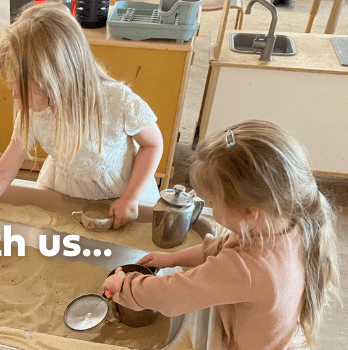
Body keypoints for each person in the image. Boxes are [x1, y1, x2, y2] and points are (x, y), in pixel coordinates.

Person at [103, 120, 341, 349]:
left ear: (250, 212)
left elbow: (173, 296)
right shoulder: (287, 223)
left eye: (213, 202)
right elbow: (223, 247)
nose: (210, 207)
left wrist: (124, 286)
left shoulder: (247, 270)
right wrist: (172, 259)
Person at [0, 3, 163, 236]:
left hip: (118, 193)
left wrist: (130, 197)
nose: (15, 94)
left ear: (55, 80)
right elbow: (3, 171)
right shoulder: (36, 112)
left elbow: (152, 144)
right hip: (64, 190)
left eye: (22, 85)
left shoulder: (117, 101)